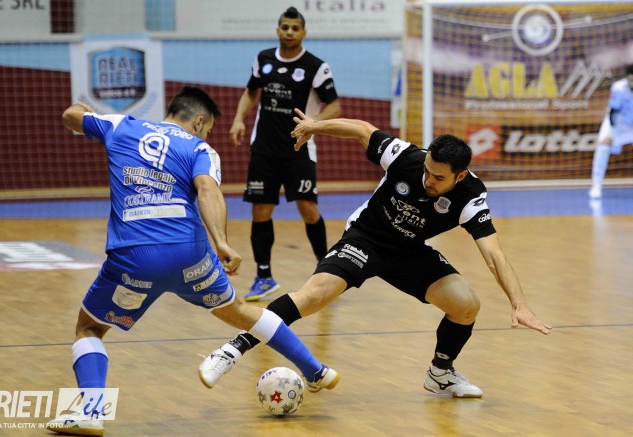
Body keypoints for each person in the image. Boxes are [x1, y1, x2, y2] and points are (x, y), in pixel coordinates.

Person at [200, 108, 552, 398]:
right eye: (427, 171)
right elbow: (362, 129)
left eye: (438, 178)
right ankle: (233, 348)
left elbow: (493, 255)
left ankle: (440, 373)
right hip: (365, 239)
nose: (428, 180)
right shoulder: (406, 157)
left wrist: (519, 303)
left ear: (460, 177)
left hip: (409, 251)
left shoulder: (471, 196)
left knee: (466, 305)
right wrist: (315, 126)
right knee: (314, 295)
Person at [46, 89, 339, 436]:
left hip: (135, 256)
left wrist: (85, 108)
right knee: (241, 312)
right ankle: (317, 370)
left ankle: (91, 411)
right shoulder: (200, 149)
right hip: (191, 256)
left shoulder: (120, 126)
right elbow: (207, 190)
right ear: (199, 121)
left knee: (90, 329)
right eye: (209, 129)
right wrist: (222, 242)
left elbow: (70, 116)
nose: (208, 135)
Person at [229, 6, 342, 301]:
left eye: (295, 28)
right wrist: (239, 118)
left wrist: (313, 125)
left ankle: (327, 272)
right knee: (260, 211)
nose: (289, 32)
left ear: (304, 32)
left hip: (298, 150)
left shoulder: (316, 66)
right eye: (285, 27)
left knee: (308, 209)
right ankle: (263, 277)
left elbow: (334, 106)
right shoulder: (263, 59)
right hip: (264, 150)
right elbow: (251, 92)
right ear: (278, 30)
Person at [589, 63, 633, 198]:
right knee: (604, 145)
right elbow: (613, 112)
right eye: (631, 79)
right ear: (627, 78)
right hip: (617, 123)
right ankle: (596, 185)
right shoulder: (618, 88)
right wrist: (611, 135)